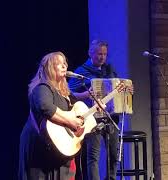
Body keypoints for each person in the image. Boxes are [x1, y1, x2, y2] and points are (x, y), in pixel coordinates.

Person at [68, 40, 133, 180]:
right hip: (93, 118)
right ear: (90, 53)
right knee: (93, 156)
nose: (102, 57)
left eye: (104, 54)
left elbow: (118, 89)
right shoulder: (81, 71)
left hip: (111, 117)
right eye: (99, 54)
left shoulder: (109, 69)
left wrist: (128, 91)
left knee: (114, 154)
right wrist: (86, 94)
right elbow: (69, 94)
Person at [18, 51, 85, 180]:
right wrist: (69, 121)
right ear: (49, 68)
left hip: (57, 148)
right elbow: (45, 107)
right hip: (40, 147)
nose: (64, 66)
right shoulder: (42, 87)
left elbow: (79, 113)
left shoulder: (65, 94)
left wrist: (97, 109)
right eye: (59, 64)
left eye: (65, 63)